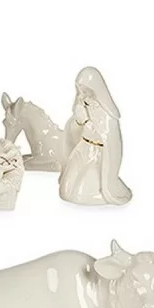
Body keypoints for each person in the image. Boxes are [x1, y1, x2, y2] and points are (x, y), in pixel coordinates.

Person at [59, 67, 132, 205]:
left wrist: (89, 124)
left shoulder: (109, 116)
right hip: (82, 150)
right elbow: (73, 131)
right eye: (80, 89)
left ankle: (105, 190)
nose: (82, 94)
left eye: (86, 90)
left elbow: (113, 146)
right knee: (65, 190)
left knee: (80, 194)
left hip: (99, 158)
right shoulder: (81, 105)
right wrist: (78, 120)